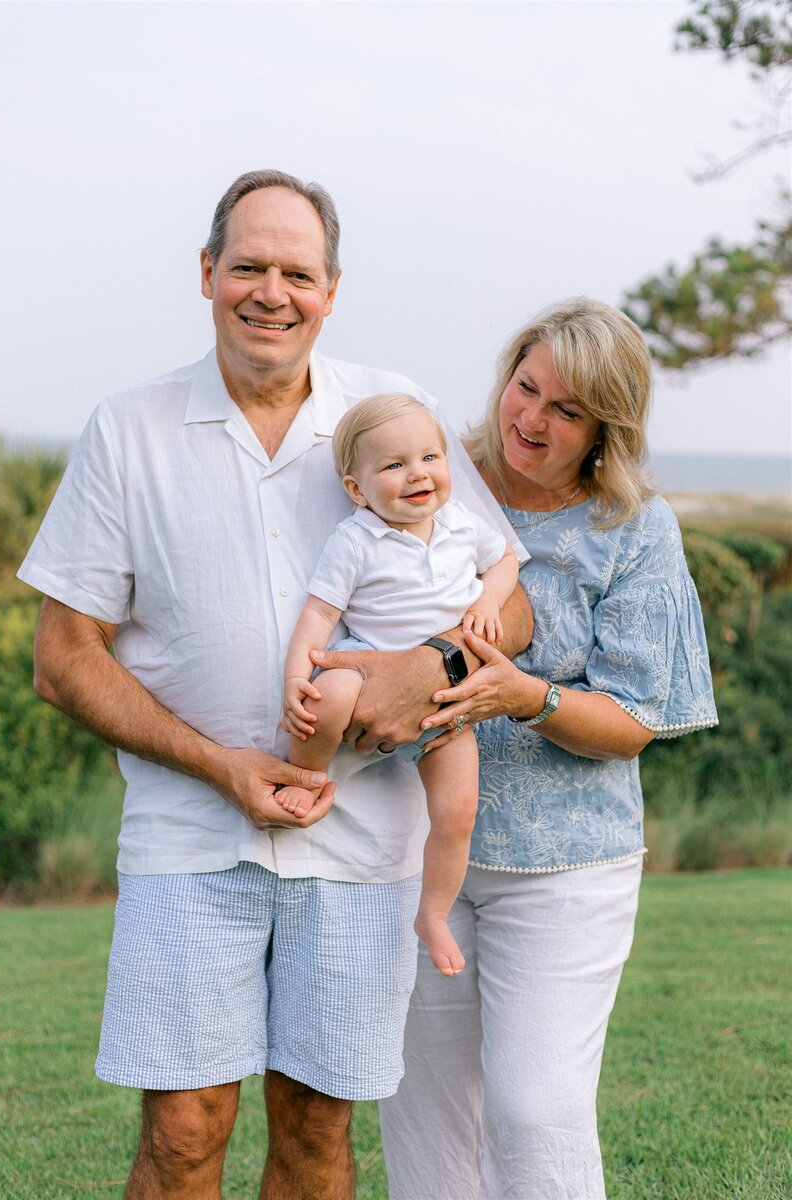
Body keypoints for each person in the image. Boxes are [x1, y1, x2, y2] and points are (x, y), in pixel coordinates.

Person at [17, 168, 530, 1200]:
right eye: (247, 265)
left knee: (314, 1135)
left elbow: (505, 602)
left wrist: (421, 671)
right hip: (187, 837)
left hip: (358, 842)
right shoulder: (131, 429)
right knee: (183, 1132)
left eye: (297, 271)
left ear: (330, 289)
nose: (271, 291)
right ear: (206, 273)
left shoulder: (394, 416)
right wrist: (219, 766)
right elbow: (62, 655)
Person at [378, 298, 718, 1200]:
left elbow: (638, 717)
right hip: (416, 859)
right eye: (526, 389)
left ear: (606, 426)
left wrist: (531, 699)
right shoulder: (436, 474)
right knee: (426, 1123)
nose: (532, 420)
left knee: (536, 1112)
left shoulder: (635, 530)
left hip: (567, 866)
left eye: (566, 411)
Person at [281, 393, 520, 976]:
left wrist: (490, 597)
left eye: (430, 457)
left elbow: (507, 560)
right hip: (368, 667)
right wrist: (295, 676)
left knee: (458, 809)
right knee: (328, 693)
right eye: (393, 466)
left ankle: (433, 914)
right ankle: (307, 775)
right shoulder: (356, 540)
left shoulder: (464, 525)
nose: (418, 474)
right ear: (358, 489)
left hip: (445, 699)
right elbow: (317, 614)